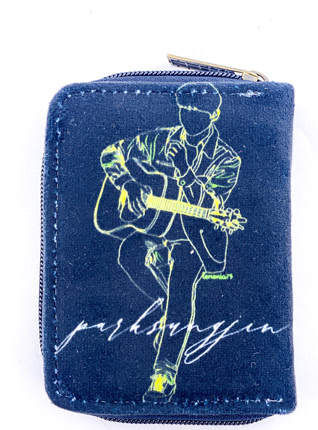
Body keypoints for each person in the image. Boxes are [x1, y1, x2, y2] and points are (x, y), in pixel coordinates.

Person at [96, 82, 244, 402]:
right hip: (157, 225)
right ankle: (171, 309)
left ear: (214, 115)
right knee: (128, 253)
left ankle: (164, 375)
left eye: (198, 113)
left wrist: (185, 172)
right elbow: (110, 153)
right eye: (184, 111)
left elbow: (210, 205)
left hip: (193, 233)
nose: (189, 118)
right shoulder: (160, 139)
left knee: (181, 285)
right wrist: (128, 184)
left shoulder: (226, 159)